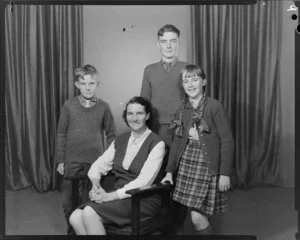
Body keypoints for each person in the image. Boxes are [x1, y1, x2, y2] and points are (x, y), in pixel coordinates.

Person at [69, 96, 166, 235]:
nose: (134, 118)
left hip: (142, 199)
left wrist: (109, 196)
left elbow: (145, 181)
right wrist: (96, 185)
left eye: (139, 113)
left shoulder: (157, 143)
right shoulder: (120, 140)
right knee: (75, 217)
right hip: (119, 198)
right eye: (130, 113)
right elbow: (97, 166)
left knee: (90, 213)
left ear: (148, 115)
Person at [161, 64, 234, 235]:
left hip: (206, 167)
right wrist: (170, 171)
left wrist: (224, 173)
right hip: (186, 166)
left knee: (196, 217)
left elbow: (226, 140)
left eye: (195, 79)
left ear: (204, 82)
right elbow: (176, 144)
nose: (190, 84)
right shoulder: (181, 110)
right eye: (186, 80)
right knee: (182, 216)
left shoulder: (214, 106)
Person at [55, 64, 116, 235]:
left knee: (90, 204)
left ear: (98, 84)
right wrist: (61, 160)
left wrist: (109, 160)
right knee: (69, 205)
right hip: (71, 162)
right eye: (83, 83)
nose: (87, 87)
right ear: (77, 85)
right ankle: (71, 233)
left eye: (91, 83)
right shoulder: (69, 105)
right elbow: (61, 133)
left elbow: (112, 135)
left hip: (95, 164)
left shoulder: (104, 107)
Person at [140, 24, 190, 147]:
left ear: (178, 43)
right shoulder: (149, 70)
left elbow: (197, 101)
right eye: (164, 41)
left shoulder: (188, 69)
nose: (168, 46)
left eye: (173, 41)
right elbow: (143, 102)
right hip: (155, 128)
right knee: (158, 165)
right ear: (158, 44)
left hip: (182, 127)